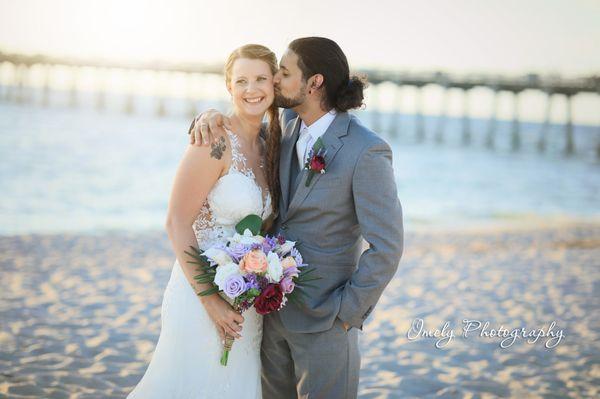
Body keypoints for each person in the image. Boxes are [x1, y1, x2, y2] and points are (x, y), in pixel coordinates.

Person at [191, 37, 404, 399]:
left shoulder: (365, 150)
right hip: (271, 315)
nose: (274, 80)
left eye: (284, 73)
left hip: (326, 322)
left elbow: (387, 246)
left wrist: (345, 313)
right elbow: (241, 129)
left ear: (314, 83)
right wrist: (210, 116)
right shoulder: (286, 125)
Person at [127, 44, 281, 399]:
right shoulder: (212, 139)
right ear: (229, 86)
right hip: (200, 296)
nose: (251, 89)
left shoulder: (271, 142)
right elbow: (177, 222)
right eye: (241, 80)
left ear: (274, 84)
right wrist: (211, 300)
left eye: (260, 79)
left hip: (246, 300)